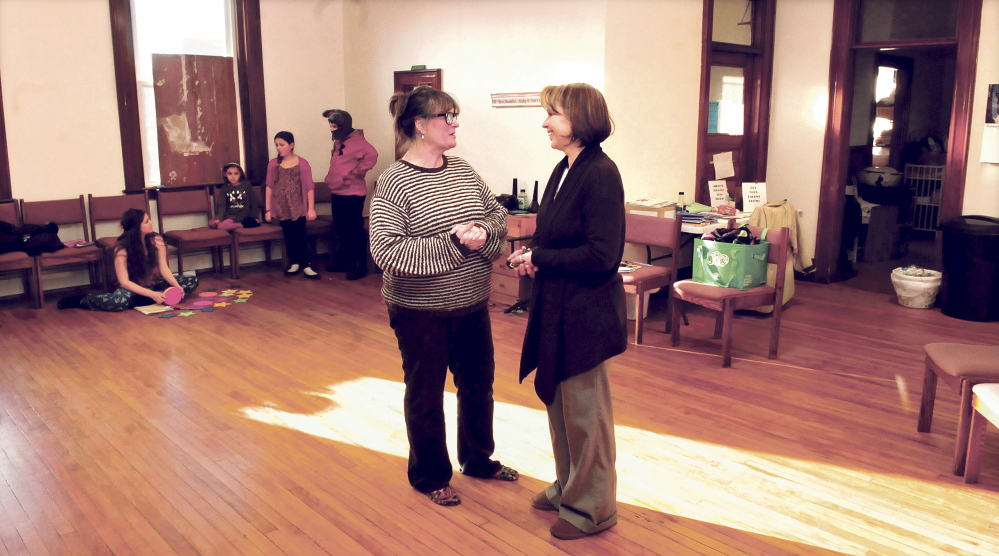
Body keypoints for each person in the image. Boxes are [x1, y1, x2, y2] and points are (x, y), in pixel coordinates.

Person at [369, 85, 518, 507]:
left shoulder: (463, 170)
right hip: (419, 312)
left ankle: (478, 460)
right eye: (445, 117)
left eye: (455, 116)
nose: (454, 124)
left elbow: (495, 214)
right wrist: (456, 243)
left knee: (477, 386)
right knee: (426, 392)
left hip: (471, 304)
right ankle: (430, 475)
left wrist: (484, 233)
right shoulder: (393, 182)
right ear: (419, 125)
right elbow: (387, 251)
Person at [508, 83, 626, 540]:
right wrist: (532, 252)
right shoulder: (564, 169)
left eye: (552, 114)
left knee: (585, 415)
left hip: (586, 313)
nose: (545, 123)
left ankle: (592, 507)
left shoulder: (600, 173)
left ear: (578, 120)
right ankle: (567, 486)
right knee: (559, 408)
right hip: (556, 306)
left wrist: (542, 259)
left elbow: (603, 256)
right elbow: (555, 236)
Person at [57, 209, 198, 311]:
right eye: (147, 221)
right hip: (134, 287)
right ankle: (83, 299)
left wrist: (175, 285)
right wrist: (152, 294)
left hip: (157, 284)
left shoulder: (157, 240)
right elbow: (124, 282)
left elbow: (163, 268)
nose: (151, 222)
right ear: (137, 227)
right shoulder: (122, 248)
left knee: (191, 281)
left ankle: (146, 300)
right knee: (116, 302)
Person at [321, 109, 378, 280]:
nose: (331, 127)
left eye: (334, 124)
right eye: (330, 124)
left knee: (353, 230)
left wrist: (355, 174)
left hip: (353, 193)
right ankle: (344, 262)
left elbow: (372, 155)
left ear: (343, 124)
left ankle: (358, 266)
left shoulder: (359, 141)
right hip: (337, 191)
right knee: (340, 229)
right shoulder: (339, 140)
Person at [265, 131, 320, 280]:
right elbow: (269, 186)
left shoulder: (302, 163)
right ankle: (294, 262)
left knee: (300, 235)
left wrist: (311, 208)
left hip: (298, 205)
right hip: (282, 206)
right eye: (276, 145)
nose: (278, 148)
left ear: (291, 145)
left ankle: (306, 264)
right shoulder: (273, 164)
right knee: (289, 235)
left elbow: (309, 187)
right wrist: (268, 209)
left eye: (281, 145)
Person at [209, 162, 259, 231]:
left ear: (240, 174)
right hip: (230, 216)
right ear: (225, 174)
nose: (233, 177)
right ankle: (232, 226)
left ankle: (245, 224)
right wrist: (219, 218)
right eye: (230, 174)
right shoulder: (225, 188)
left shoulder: (247, 185)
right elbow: (222, 205)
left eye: (236, 173)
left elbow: (253, 202)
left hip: (242, 216)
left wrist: (255, 217)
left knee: (221, 227)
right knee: (211, 223)